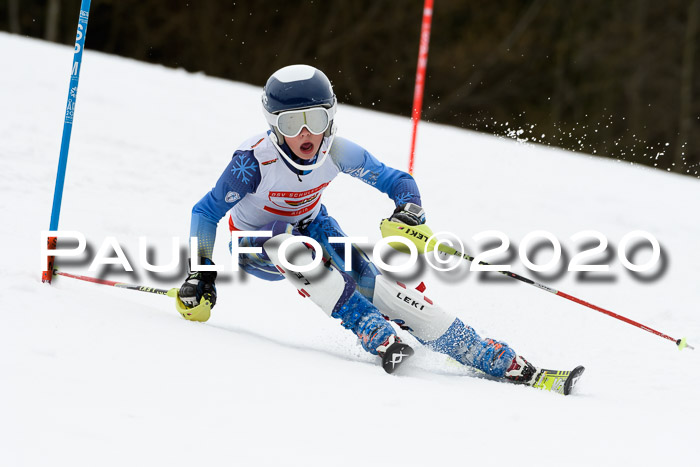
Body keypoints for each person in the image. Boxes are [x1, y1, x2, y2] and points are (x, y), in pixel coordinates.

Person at [177, 64, 536, 378]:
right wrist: (201, 273)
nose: (305, 133)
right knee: (294, 250)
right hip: (255, 245)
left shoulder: (337, 151)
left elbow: (398, 181)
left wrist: (408, 210)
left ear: (330, 118)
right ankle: (368, 326)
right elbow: (206, 212)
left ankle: (477, 349)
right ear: (274, 126)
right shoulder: (253, 162)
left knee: (377, 286)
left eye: (314, 119)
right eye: (291, 123)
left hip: (312, 224)